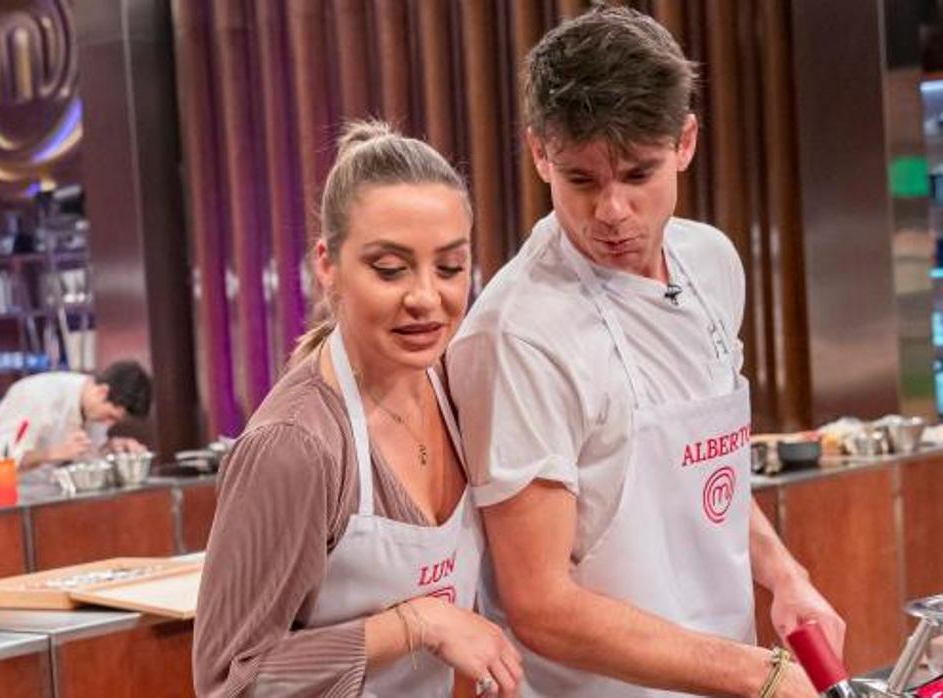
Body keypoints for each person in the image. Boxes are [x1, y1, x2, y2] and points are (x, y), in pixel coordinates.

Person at [446, 6, 845, 697]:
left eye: (638, 174)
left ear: (685, 140)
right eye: (580, 180)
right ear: (540, 151)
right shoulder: (519, 334)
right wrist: (756, 673)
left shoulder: (711, 263)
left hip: (725, 673)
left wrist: (784, 576)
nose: (612, 212)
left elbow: (700, 476)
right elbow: (539, 605)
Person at [193, 122, 523, 698]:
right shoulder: (295, 444)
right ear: (327, 264)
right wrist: (416, 624)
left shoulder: (458, 390)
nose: (425, 297)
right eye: (390, 269)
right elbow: (230, 678)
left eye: (449, 268)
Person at [0, 360, 151, 469]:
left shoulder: (91, 408)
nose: (108, 424)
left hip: (56, 500)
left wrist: (109, 449)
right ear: (102, 392)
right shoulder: (37, 395)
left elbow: (84, 459)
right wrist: (53, 453)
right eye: (110, 416)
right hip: (14, 501)